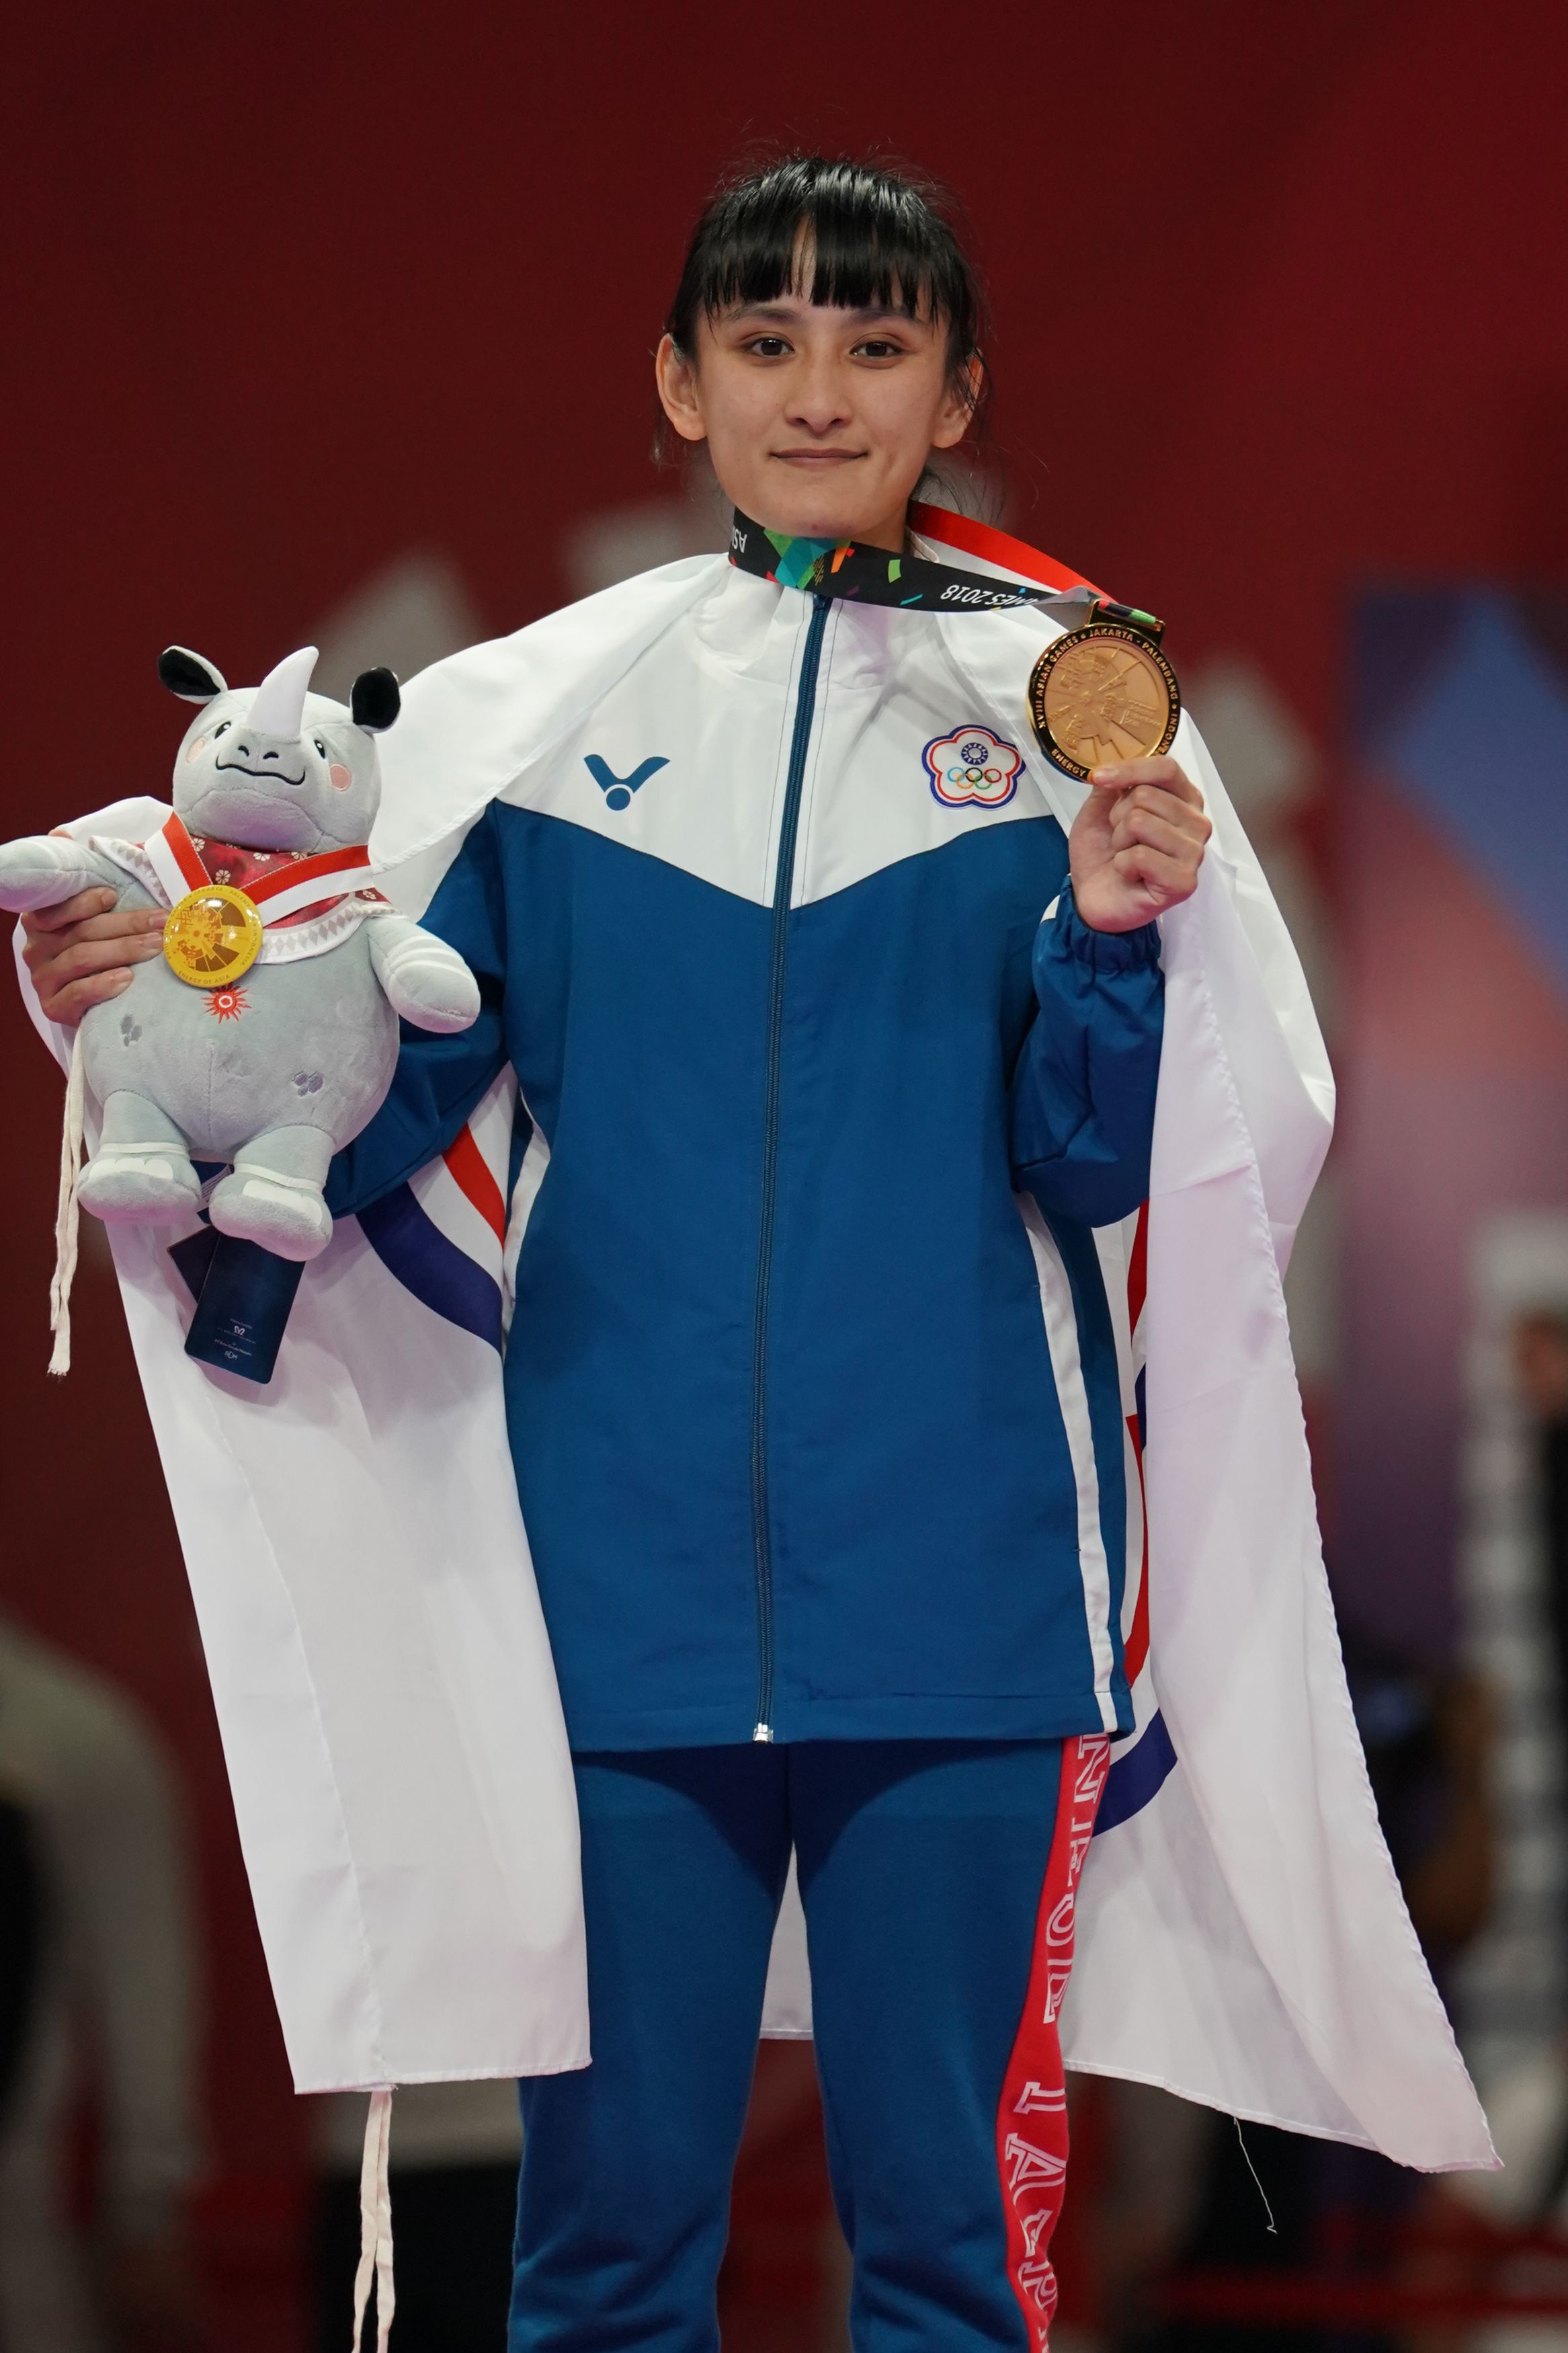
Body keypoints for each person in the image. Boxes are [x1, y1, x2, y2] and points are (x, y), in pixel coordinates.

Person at [18, 154, 1462, 2350]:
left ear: (956, 384)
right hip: (618, 1610)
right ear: (676, 382)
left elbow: (1097, 1175)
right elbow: (375, 1105)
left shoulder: (1063, 720)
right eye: (765, 343)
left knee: (952, 2275)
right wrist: (157, 997)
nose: (817, 389)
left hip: (966, 1613)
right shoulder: (535, 736)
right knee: (601, 2270)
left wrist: (1108, 931)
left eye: (875, 344)